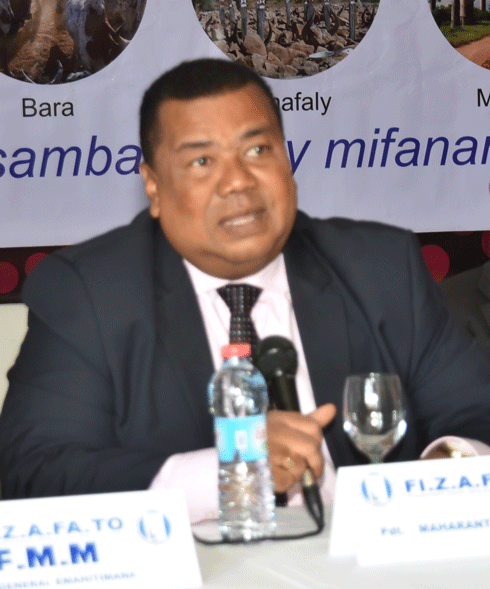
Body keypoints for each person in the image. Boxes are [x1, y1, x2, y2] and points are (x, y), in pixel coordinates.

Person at [1, 58, 490, 521]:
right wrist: (228, 470)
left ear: (287, 159)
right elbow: (34, 471)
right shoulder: (89, 293)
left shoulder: (381, 268)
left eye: (257, 150)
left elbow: (475, 415)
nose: (237, 181)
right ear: (153, 186)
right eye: (201, 161)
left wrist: (448, 470)